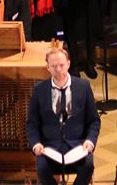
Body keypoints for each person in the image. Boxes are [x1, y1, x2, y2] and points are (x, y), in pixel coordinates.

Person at [26, 44, 100, 185]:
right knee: (42, 169)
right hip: (49, 147)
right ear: (48, 68)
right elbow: (32, 123)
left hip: (78, 145)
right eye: (54, 66)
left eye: (61, 65)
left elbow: (93, 121)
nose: (59, 70)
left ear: (68, 64)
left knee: (88, 166)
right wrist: (36, 144)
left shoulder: (83, 86)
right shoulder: (39, 90)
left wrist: (90, 141)